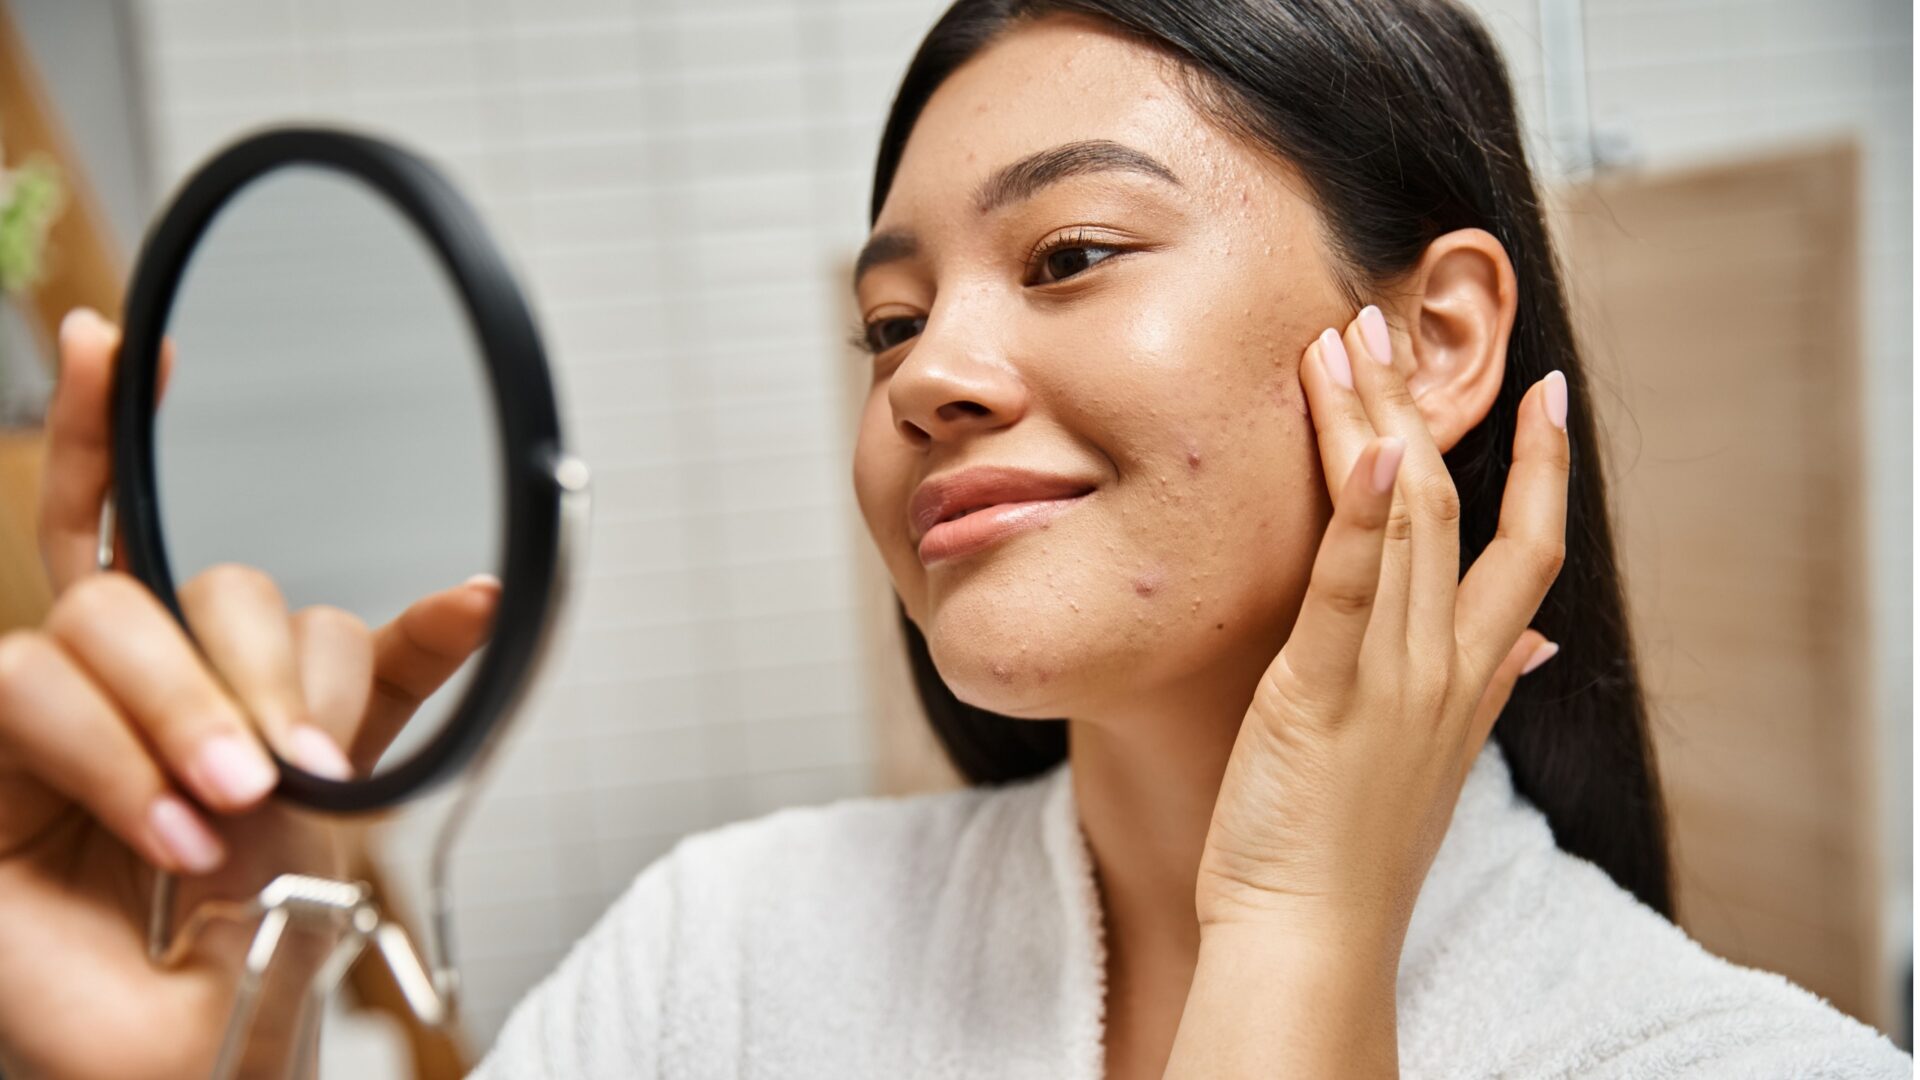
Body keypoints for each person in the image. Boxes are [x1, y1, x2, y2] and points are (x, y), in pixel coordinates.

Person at [0, 1, 1908, 1077]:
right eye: (890, 322)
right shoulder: (720, 965)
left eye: (1069, 254)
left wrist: (1297, 959)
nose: (929, 380)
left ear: (1436, 337)